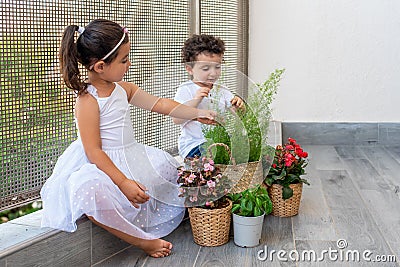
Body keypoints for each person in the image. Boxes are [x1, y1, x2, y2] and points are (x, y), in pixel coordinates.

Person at [40, 19, 217, 258]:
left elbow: (162, 105)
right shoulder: (87, 100)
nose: (129, 63)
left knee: (166, 167)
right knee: (89, 190)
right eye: (124, 60)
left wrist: (197, 113)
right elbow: (94, 151)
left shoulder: (124, 88)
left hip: (129, 154)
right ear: (100, 66)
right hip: (100, 164)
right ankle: (142, 241)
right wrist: (123, 182)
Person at [173, 34, 244, 159]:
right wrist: (195, 101)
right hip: (195, 145)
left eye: (217, 67)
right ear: (189, 69)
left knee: (242, 150)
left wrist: (238, 106)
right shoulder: (186, 90)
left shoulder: (222, 90)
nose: (213, 73)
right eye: (206, 68)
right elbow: (177, 119)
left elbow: (235, 114)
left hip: (221, 142)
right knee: (212, 154)